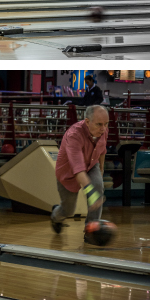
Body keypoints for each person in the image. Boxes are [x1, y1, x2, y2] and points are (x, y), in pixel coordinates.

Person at [50, 104, 108, 242]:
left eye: (106, 124)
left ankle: (90, 230)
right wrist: (92, 194)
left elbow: (102, 150)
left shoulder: (102, 130)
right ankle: (55, 216)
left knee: (98, 186)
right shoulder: (74, 135)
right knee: (68, 210)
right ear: (87, 122)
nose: (103, 128)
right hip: (68, 173)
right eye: (99, 124)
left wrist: (100, 170)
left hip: (91, 165)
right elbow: (78, 170)